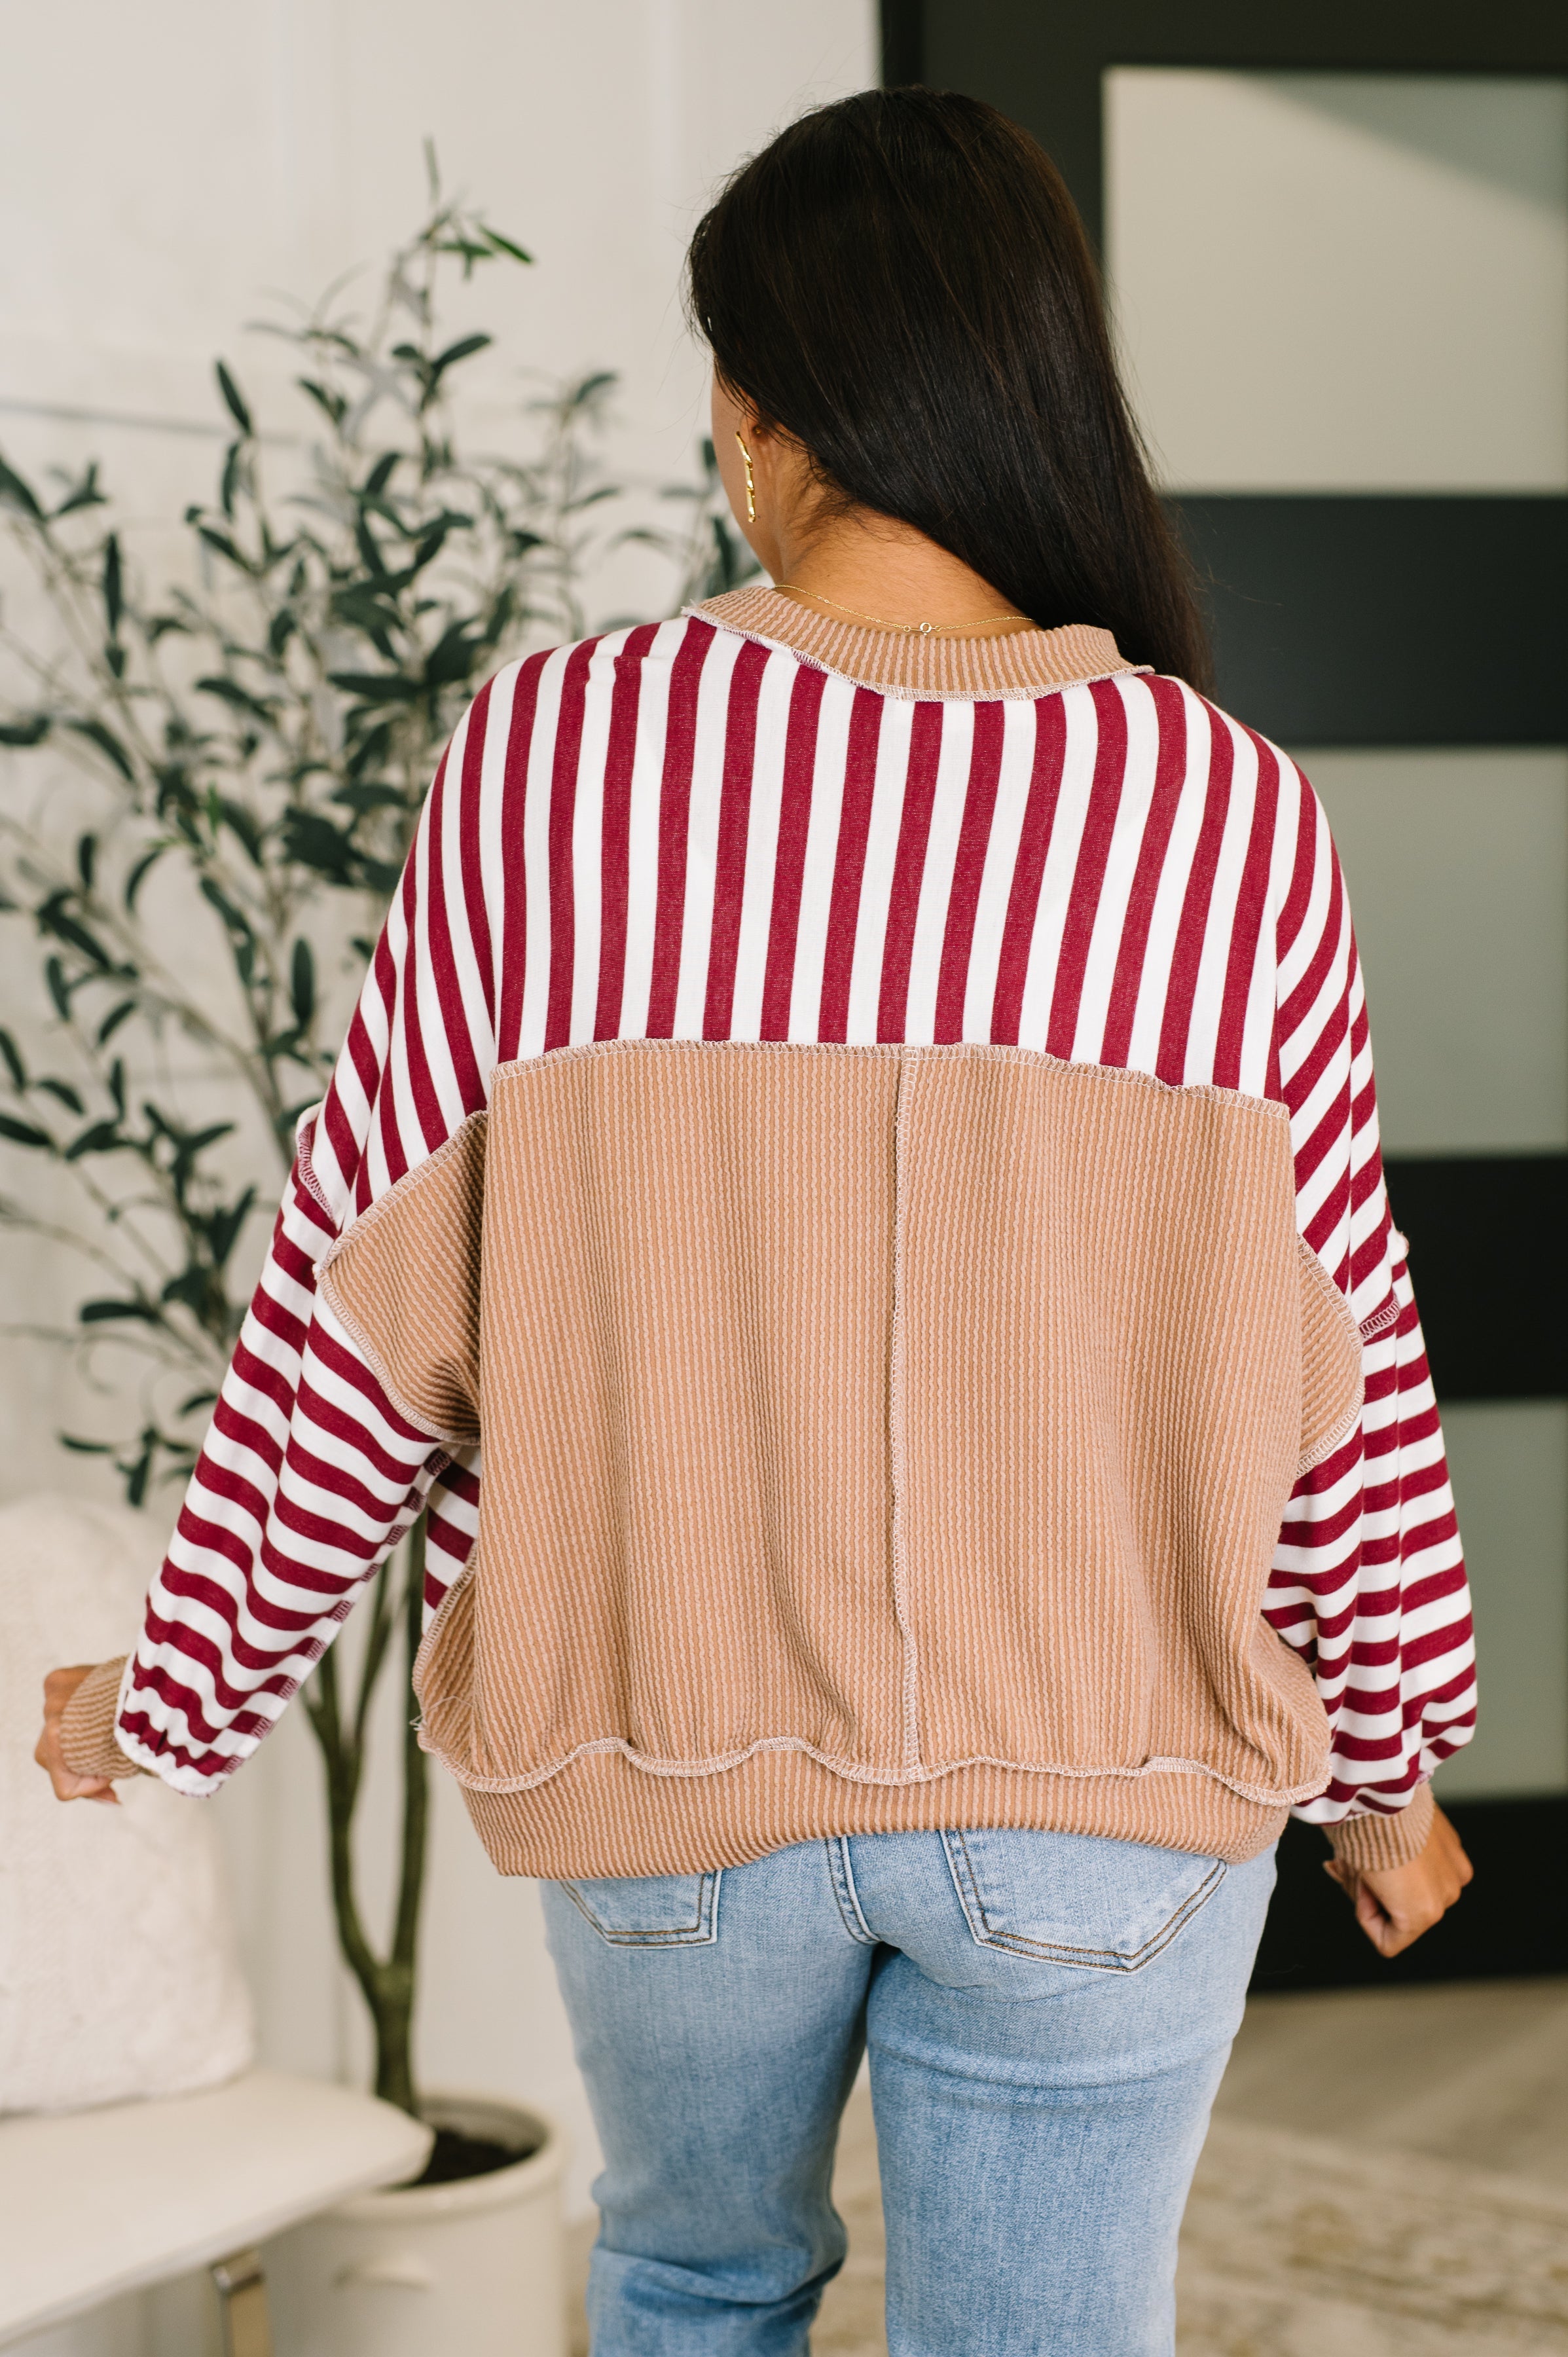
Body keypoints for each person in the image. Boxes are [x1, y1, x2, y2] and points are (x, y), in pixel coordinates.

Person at [39, 87, 1474, 2357]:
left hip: (669, 1802)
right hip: (1102, 1798)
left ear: (756, 408)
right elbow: (1337, 1365)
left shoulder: (552, 760)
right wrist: (1388, 1775)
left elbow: (358, 1306)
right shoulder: (1221, 814)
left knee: (696, 2285)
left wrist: (184, 1694)